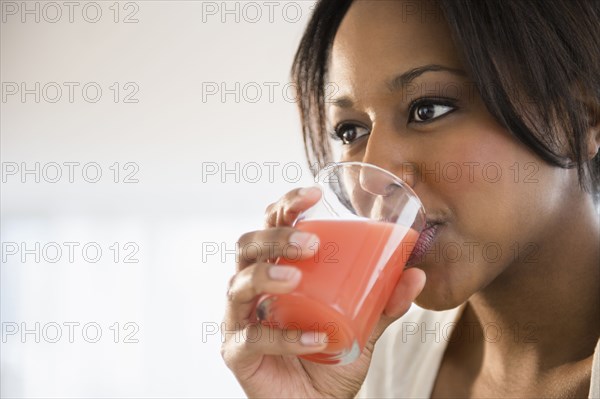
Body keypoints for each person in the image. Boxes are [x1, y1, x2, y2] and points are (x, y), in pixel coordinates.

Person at [221, 0, 600, 397]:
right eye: (351, 132)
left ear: (581, 118)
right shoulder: (379, 362)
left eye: (428, 109)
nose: (373, 176)